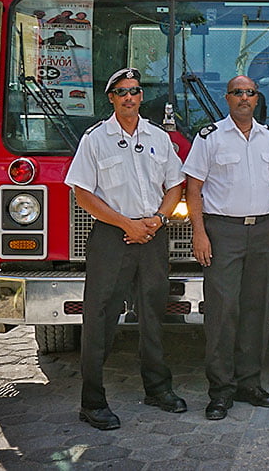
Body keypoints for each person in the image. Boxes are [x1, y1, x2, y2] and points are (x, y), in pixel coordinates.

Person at [64, 67, 185, 430]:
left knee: (153, 314)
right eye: (121, 91)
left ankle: (157, 389)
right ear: (111, 98)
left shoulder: (159, 138)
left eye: (134, 90)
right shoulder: (95, 139)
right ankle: (92, 401)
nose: (129, 97)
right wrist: (127, 225)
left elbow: (175, 184)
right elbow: (82, 193)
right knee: (100, 318)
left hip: (152, 236)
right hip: (112, 239)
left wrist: (159, 220)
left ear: (141, 96)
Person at [182, 75, 269, 421]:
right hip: (223, 233)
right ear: (227, 98)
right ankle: (221, 391)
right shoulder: (209, 138)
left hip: (263, 231)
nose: (244, 98)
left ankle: (250, 383)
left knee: (257, 310)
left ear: (257, 99)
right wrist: (198, 234)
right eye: (238, 93)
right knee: (222, 312)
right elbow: (193, 189)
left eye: (250, 93)